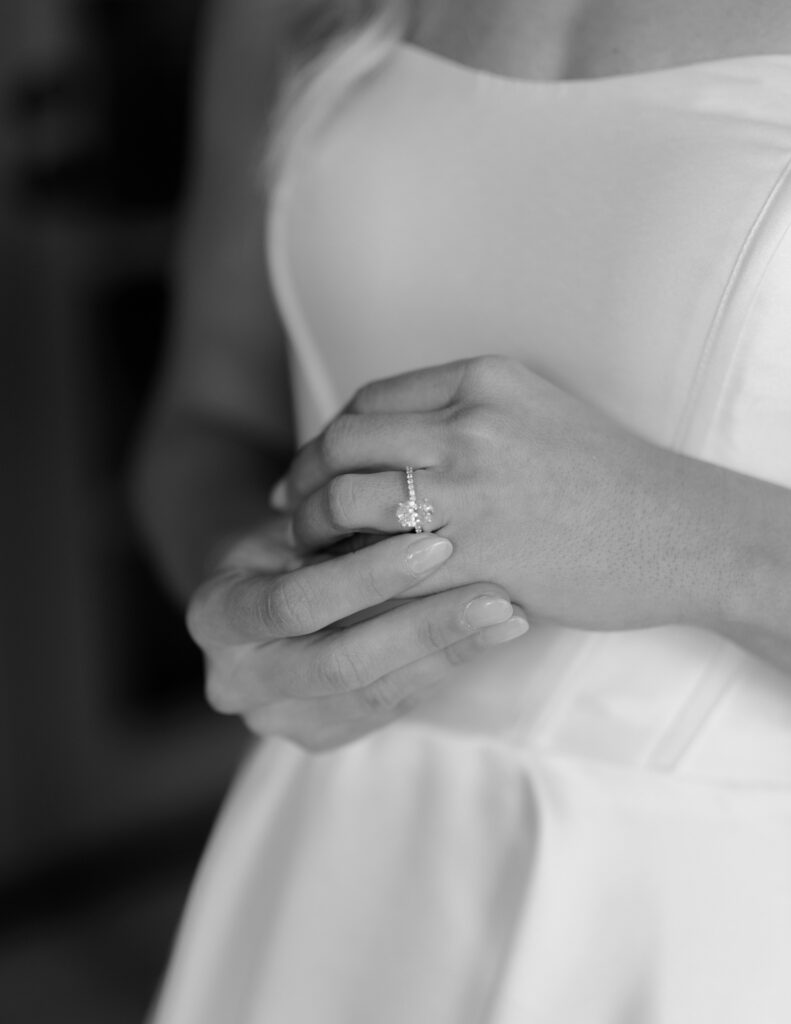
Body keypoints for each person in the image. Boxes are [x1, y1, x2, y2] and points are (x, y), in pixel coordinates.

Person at [135, 0, 791, 1020]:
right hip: (338, 866)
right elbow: (205, 416)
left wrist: (682, 537)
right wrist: (248, 591)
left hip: (724, 925)